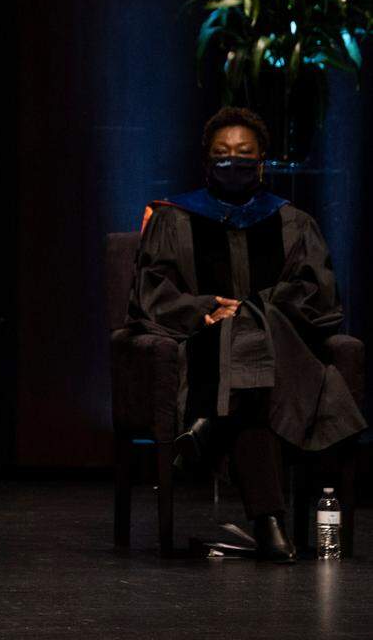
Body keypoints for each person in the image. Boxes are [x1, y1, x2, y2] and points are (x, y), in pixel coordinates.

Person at [127, 106, 366, 562]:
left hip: (272, 361)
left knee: (251, 340)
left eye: (243, 154)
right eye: (221, 154)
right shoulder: (173, 219)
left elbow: (319, 296)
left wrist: (255, 310)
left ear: (262, 160)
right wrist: (204, 310)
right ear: (205, 161)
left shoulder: (295, 224)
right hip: (207, 359)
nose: (231, 162)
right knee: (251, 389)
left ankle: (210, 428)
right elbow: (150, 293)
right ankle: (268, 522)